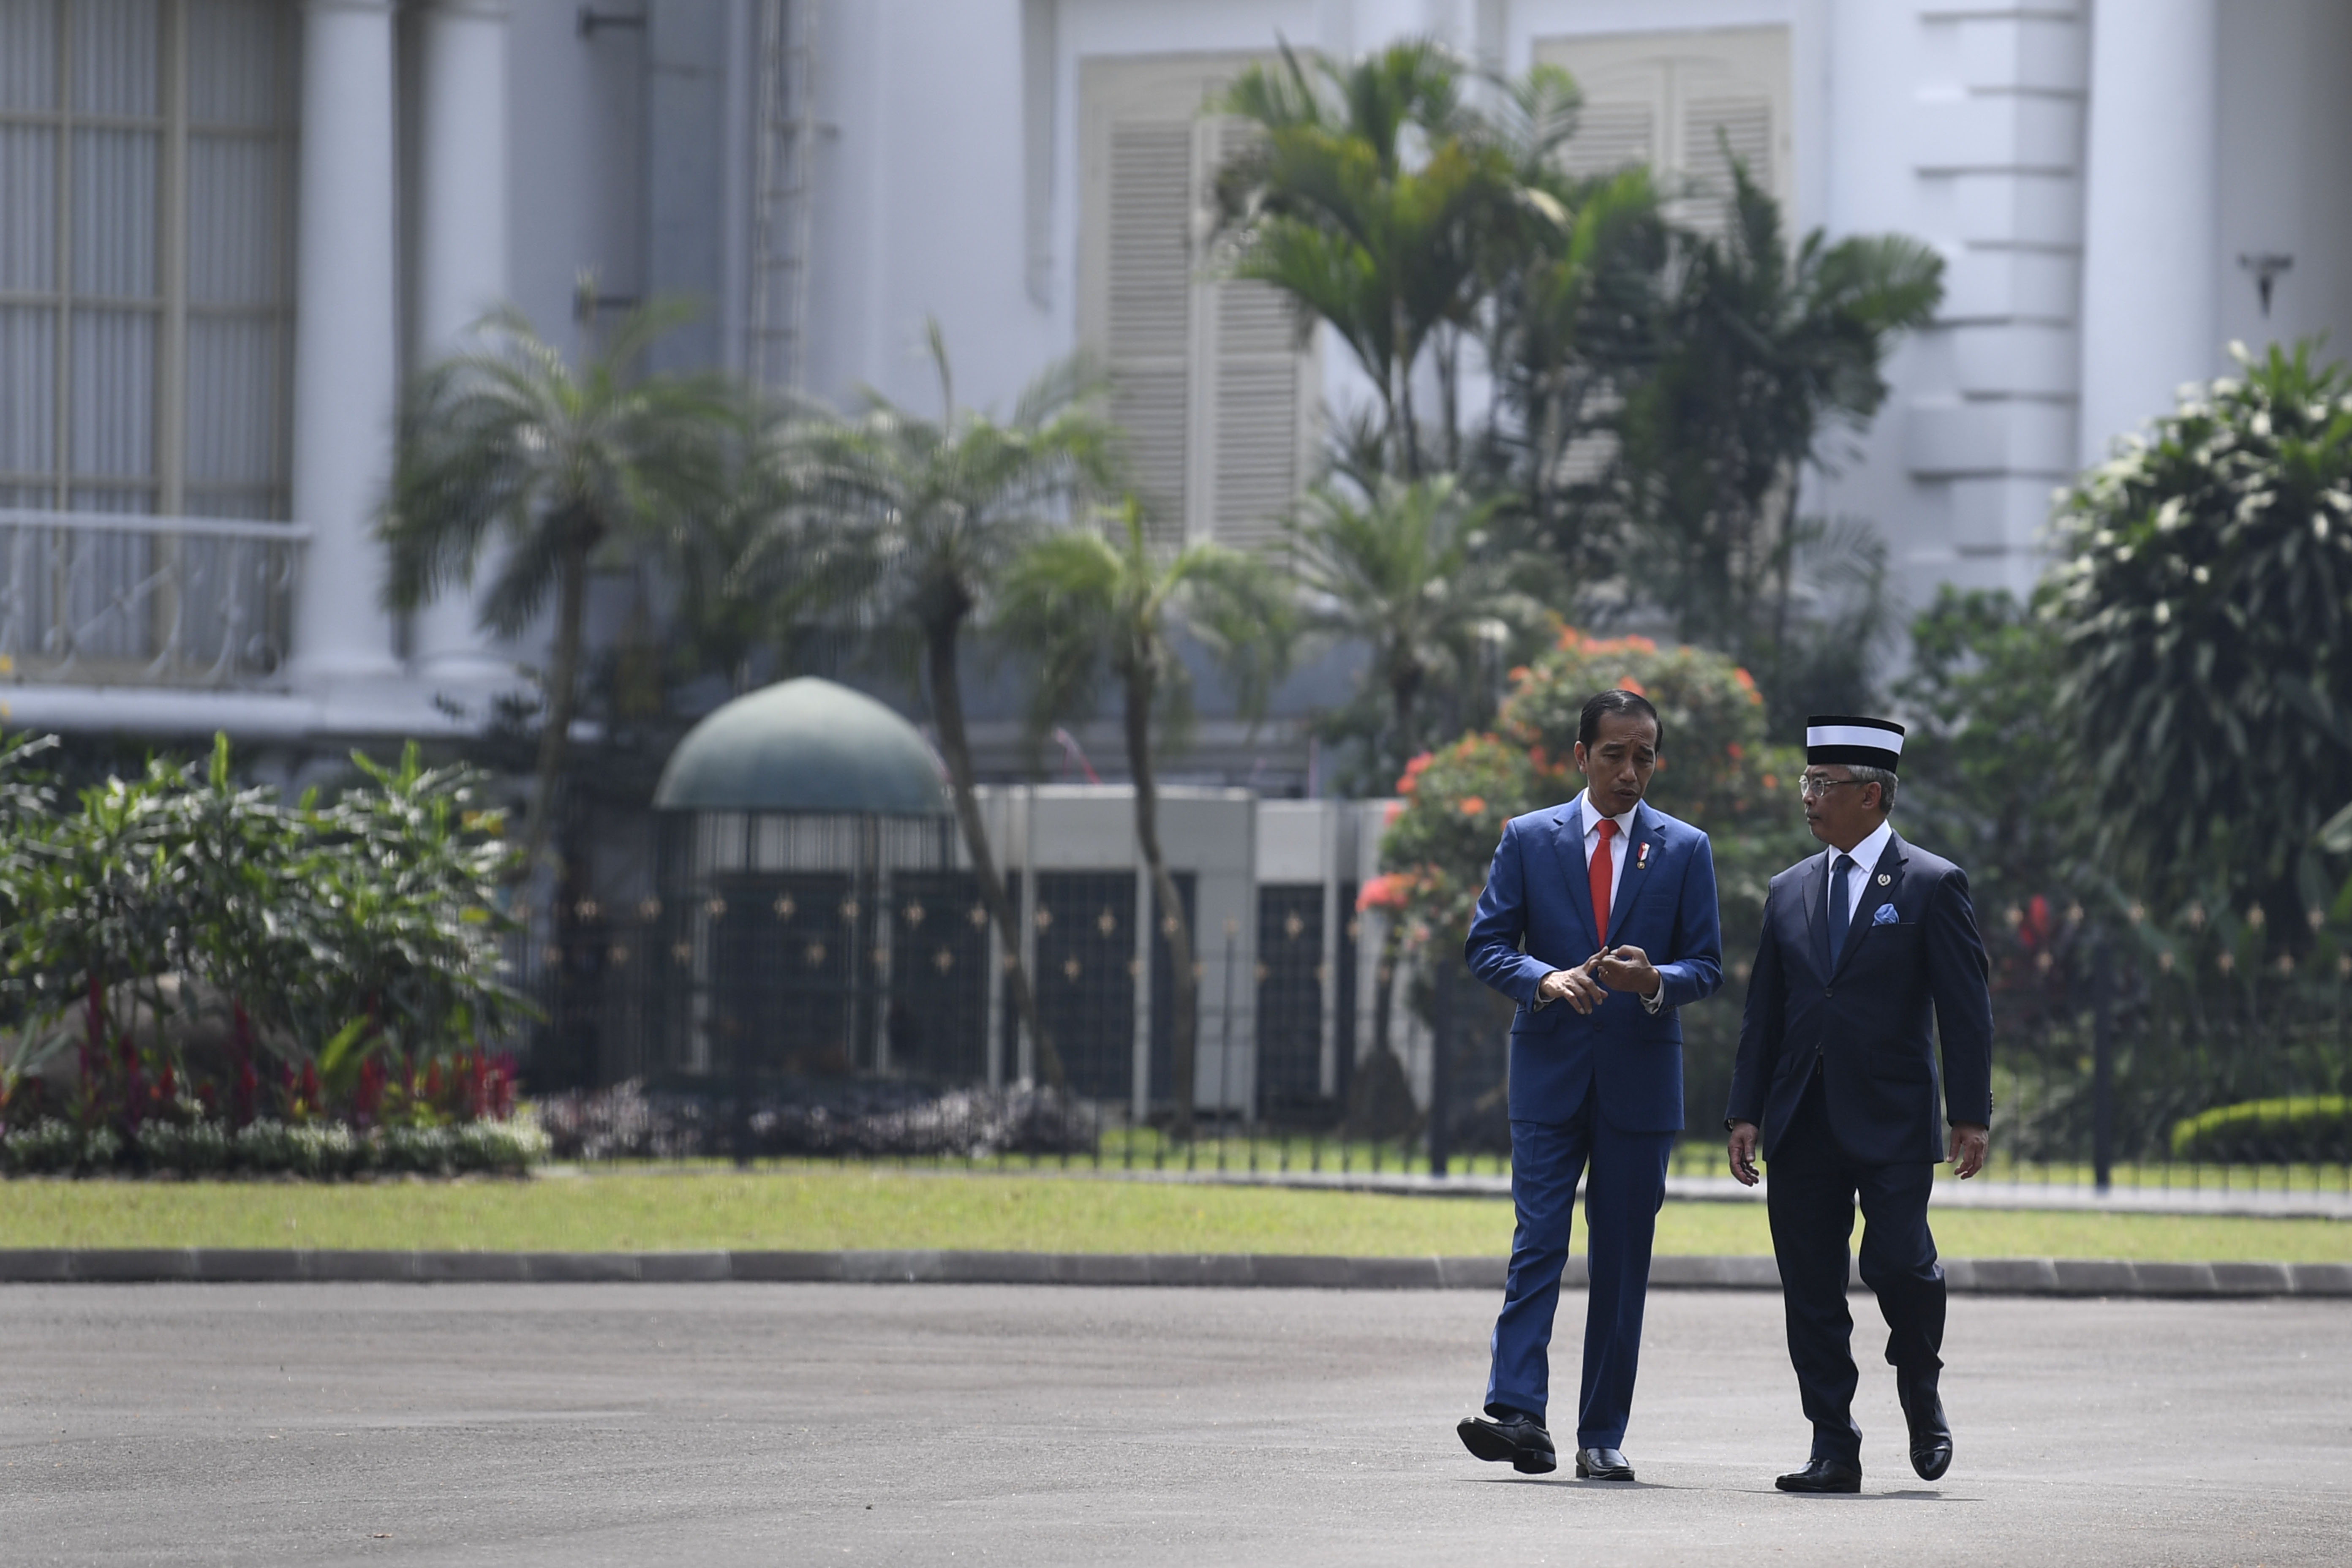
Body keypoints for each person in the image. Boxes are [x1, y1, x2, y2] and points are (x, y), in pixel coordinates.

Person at [1454, 690, 1723, 1482]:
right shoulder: (1529, 838)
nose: (1630, 772)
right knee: (1537, 1241)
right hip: (1549, 1075)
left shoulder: (1685, 849)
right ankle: (1517, 1412)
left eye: (1644, 756)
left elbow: (1705, 965)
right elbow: (1487, 946)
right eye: (1614, 755)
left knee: (1622, 1260)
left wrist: (1654, 981)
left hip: (1640, 1087)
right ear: (1580, 757)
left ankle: (1601, 1435)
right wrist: (1545, 979)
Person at [1724, 715, 1993, 1494]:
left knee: (1899, 1263)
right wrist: (1746, 1112)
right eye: (1806, 783)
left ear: (1872, 795)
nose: (1809, 798)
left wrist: (1969, 1113)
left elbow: (1965, 1008)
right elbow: (1762, 1015)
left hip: (1893, 1118)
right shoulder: (1788, 890)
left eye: (1824, 785)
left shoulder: (1931, 883)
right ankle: (1833, 1446)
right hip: (1801, 1117)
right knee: (1810, 1287)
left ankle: (1920, 1384)